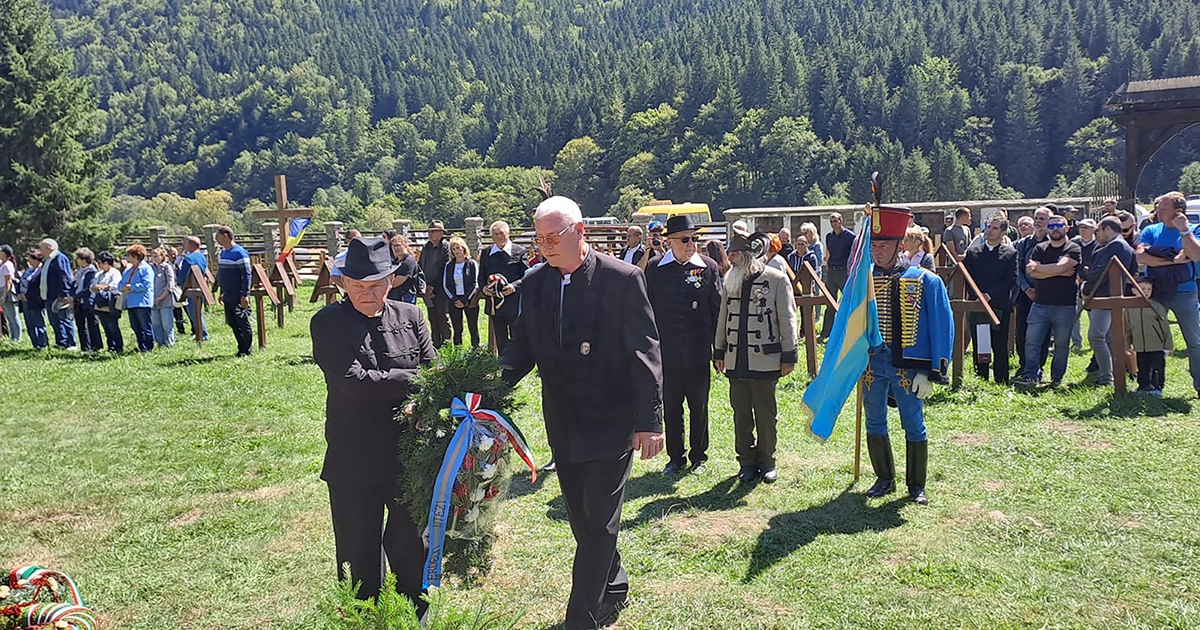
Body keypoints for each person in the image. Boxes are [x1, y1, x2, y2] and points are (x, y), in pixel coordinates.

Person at [499, 195, 664, 630]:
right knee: (582, 519)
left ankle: (582, 618)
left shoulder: (622, 279)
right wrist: (480, 390)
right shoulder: (535, 284)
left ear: (581, 232)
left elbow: (645, 354)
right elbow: (521, 351)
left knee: (598, 524)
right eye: (539, 239)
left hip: (611, 422)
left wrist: (650, 422)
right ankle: (613, 584)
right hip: (563, 423)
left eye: (554, 237)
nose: (547, 246)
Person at [310, 236, 437, 611]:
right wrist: (414, 380)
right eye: (360, 286)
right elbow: (353, 383)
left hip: (408, 458)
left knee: (412, 547)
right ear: (344, 284)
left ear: (392, 280)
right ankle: (365, 618)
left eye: (377, 285)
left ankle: (414, 616)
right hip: (354, 459)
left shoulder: (411, 316)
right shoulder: (327, 323)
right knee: (357, 552)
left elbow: (434, 369)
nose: (369, 293)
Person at [863, 205, 953, 506]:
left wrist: (932, 371)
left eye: (883, 245)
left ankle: (916, 485)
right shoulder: (862, 282)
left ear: (899, 246)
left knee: (913, 422)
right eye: (873, 245)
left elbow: (942, 326)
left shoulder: (926, 280)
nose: (877, 251)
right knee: (874, 420)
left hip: (908, 366)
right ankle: (884, 478)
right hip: (873, 363)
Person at [714, 226, 797, 484]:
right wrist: (718, 351)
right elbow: (722, 319)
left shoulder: (776, 279)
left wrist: (789, 354)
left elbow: (787, 319)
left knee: (765, 413)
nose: (731, 259)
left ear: (747, 255)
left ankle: (767, 461)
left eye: (735, 255)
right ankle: (746, 462)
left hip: (764, 358)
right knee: (741, 413)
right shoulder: (731, 279)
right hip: (735, 360)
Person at [644, 215, 721, 476]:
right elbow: (647, 310)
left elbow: (717, 310)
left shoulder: (708, 267)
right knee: (672, 407)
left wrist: (718, 350)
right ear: (670, 242)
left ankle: (699, 456)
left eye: (694, 239)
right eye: (685, 239)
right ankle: (676, 458)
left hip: (698, 353)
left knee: (699, 406)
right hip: (667, 354)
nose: (691, 244)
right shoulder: (655, 269)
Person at [1135, 192, 1200, 398]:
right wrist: (1175, 260)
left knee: (1194, 341)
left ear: (1178, 211)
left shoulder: (1195, 229)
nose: (1158, 212)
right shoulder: (1151, 230)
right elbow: (1142, 258)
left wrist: (1184, 230)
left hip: (1185, 292)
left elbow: (1196, 255)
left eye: (1163, 209)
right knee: (1151, 341)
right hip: (1156, 292)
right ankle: (1152, 385)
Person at [1019, 215, 1082, 386]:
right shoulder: (1040, 248)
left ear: (1066, 228)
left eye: (1059, 225)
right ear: (1047, 229)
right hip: (1040, 304)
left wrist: (1043, 269)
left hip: (1065, 305)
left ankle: (1056, 379)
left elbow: (1060, 266)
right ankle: (1031, 375)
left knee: (1061, 345)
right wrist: (1057, 271)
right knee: (1031, 342)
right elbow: (1030, 270)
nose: (1055, 229)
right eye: (1052, 225)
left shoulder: (1073, 248)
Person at [1080, 217, 1137, 387]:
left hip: (1105, 297)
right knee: (1111, 337)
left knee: (1096, 336)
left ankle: (1107, 377)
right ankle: (1116, 372)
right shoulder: (1125, 246)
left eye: (1098, 231)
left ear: (1107, 228)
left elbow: (1101, 271)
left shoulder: (1116, 245)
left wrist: (1086, 289)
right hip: (1114, 296)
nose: (1096, 235)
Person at [963, 216, 1018, 384]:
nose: (990, 231)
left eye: (994, 228)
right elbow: (967, 277)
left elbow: (1011, 280)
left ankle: (1001, 379)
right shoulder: (973, 252)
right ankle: (982, 377)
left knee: (999, 344)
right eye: (989, 227)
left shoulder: (1010, 253)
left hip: (999, 304)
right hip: (978, 304)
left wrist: (990, 294)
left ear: (1003, 233)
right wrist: (978, 296)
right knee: (980, 343)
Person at [479, 221, 528, 353]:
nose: (499, 236)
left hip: (514, 302)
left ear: (508, 233)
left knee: (516, 335)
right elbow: (481, 276)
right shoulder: (486, 253)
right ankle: (503, 364)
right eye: (496, 234)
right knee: (500, 336)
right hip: (495, 303)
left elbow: (527, 276)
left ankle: (517, 363)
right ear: (492, 237)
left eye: (502, 233)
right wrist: (484, 288)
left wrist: (514, 286)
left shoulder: (520, 251)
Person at [1014, 206, 1051, 378]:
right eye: (1036, 218)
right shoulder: (1022, 244)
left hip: (1047, 295)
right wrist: (1027, 288)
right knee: (1022, 331)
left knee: (1043, 333)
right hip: (1025, 294)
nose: (1038, 221)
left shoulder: (1054, 243)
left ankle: (1038, 366)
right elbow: (1017, 269)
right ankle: (1024, 365)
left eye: (1042, 219)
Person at [1127, 279, 1172, 396]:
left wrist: (1168, 345)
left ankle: (1158, 387)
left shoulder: (1156, 307)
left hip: (1157, 344)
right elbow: (1127, 328)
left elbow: (1165, 327)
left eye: (1149, 289)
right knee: (1142, 367)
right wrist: (1127, 344)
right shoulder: (1129, 308)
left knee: (1158, 367)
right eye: (1142, 289)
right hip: (1140, 345)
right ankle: (1143, 386)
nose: (1146, 292)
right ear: (1134, 290)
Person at [215, 226, 253, 356]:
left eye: (217, 236)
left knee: (242, 321)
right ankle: (241, 346)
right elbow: (222, 275)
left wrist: (245, 294)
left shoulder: (240, 253)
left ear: (225, 235)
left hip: (238, 293)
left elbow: (247, 274)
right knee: (232, 321)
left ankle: (246, 349)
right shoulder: (224, 253)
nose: (216, 239)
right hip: (228, 293)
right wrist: (222, 292)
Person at [821, 212, 856, 339]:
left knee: (848, 301)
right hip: (832, 272)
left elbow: (854, 254)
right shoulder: (829, 236)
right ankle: (826, 332)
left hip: (844, 272)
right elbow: (828, 253)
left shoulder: (850, 237)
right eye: (831, 221)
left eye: (836, 220)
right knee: (829, 302)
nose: (834, 223)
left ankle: (849, 331)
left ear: (841, 221)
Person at [442, 236, 481, 347]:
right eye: (453, 249)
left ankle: (475, 351)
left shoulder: (472, 264)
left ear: (464, 248)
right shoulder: (449, 265)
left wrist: (465, 299)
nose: (456, 251)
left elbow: (475, 283)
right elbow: (446, 285)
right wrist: (455, 299)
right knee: (457, 328)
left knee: (473, 327)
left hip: (469, 300)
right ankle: (458, 351)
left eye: (458, 248)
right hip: (454, 301)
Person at [419, 221, 453, 348]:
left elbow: (445, 269)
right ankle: (435, 346)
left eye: (433, 231)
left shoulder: (446, 247)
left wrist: (433, 286)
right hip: (427, 290)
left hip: (441, 290)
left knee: (443, 318)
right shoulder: (426, 247)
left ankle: (447, 347)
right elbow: (420, 266)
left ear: (441, 233)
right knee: (432, 318)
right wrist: (423, 285)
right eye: (429, 231)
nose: (430, 234)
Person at [39, 238, 77, 350]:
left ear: (49, 248)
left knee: (64, 318)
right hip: (48, 295)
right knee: (54, 320)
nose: (40, 250)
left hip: (59, 296)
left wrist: (64, 293)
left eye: (41, 248)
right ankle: (61, 342)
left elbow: (65, 276)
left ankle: (71, 343)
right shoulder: (47, 260)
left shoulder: (59, 258)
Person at [119, 244, 155, 352]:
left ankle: (149, 347)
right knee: (135, 326)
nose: (127, 258)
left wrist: (132, 287)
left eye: (129, 255)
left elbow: (147, 284)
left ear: (135, 256)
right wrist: (122, 287)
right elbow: (120, 283)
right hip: (131, 302)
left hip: (142, 302)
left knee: (145, 326)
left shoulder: (146, 268)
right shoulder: (128, 270)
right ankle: (141, 346)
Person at [176, 236, 210, 340]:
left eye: (185, 243)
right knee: (199, 312)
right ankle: (201, 333)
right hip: (202, 286)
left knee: (194, 313)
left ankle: (202, 334)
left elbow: (183, 275)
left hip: (191, 287)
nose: (184, 245)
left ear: (191, 245)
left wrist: (178, 280)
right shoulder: (202, 257)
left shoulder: (189, 258)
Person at [91, 251, 124, 353]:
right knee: (105, 326)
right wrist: (95, 287)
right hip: (100, 303)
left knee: (112, 325)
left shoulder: (115, 272)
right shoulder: (98, 274)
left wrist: (104, 287)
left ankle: (118, 346)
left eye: (100, 262)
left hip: (110, 302)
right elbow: (92, 286)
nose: (99, 265)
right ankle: (110, 346)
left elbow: (115, 285)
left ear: (106, 263)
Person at [72, 248, 101, 353]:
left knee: (92, 324)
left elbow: (88, 288)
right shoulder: (79, 271)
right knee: (80, 325)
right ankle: (85, 347)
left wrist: (74, 297)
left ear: (84, 259)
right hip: (78, 302)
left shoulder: (92, 271)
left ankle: (96, 346)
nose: (77, 260)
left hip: (89, 300)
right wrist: (72, 295)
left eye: (78, 258)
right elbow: (74, 284)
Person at [18, 250, 47, 349]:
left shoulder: (41, 271)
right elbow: (21, 282)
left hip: (36, 300)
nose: (28, 260)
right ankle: (35, 344)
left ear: (36, 259)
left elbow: (39, 287)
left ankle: (42, 344)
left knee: (38, 323)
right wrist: (20, 293)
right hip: (25, 301)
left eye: (29, 258)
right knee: (29, 324)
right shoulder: (28, 270)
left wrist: (28, 295)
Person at [149, 247, 178, 347]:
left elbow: (170, 284)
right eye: (153, 256)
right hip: (152, 301)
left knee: (167, 324)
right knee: (156, 324)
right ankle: (160, 343)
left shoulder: (166, 267)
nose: (155, 258)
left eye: (157, 256)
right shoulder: (150, 268)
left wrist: (161, 297)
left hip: (165, 300)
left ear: (162, 256)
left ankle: (170, 343)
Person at [386, 234, 423, 305]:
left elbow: (396, 283)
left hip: (405, 299)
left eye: (398, 245)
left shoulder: (409, 261)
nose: (396, 248)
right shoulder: (395, 261)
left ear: (405, 245)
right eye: (394, 246)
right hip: (395, 298)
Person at [1, 245, 22, 342]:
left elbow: (8, 281)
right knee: (9, 316)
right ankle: (13, 337)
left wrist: (4, 296)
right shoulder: (2, 264)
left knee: (13, 316)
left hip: (7, 291)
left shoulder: (7, 265)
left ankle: (17, 337)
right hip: (2, 290)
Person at [167, 246, 187, 335]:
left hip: (183, 288)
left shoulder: (181, 263)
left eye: (174, 253)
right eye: (171, 254)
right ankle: (181, 330)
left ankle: (195, 329)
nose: (173, 255)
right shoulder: (167, 265)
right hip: (174, 289)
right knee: (177, 311)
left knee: (188, 309)